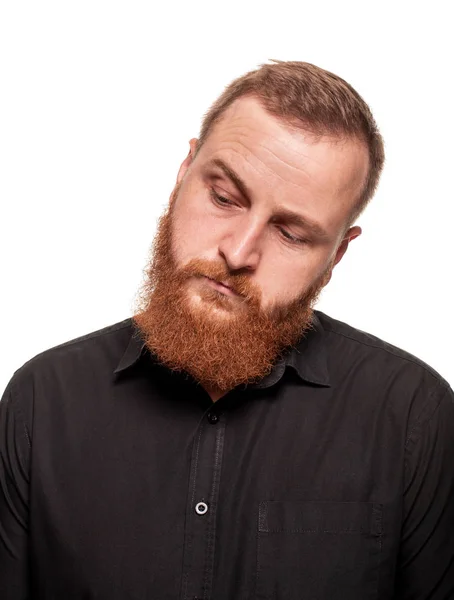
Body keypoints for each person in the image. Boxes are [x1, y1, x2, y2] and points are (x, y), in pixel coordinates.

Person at [1, 60, 453, 599]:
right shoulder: (41, 401)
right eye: (223, 198)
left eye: (290, 233)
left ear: (338, 254)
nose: (238, 253)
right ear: (183, 172)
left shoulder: (414, 418)